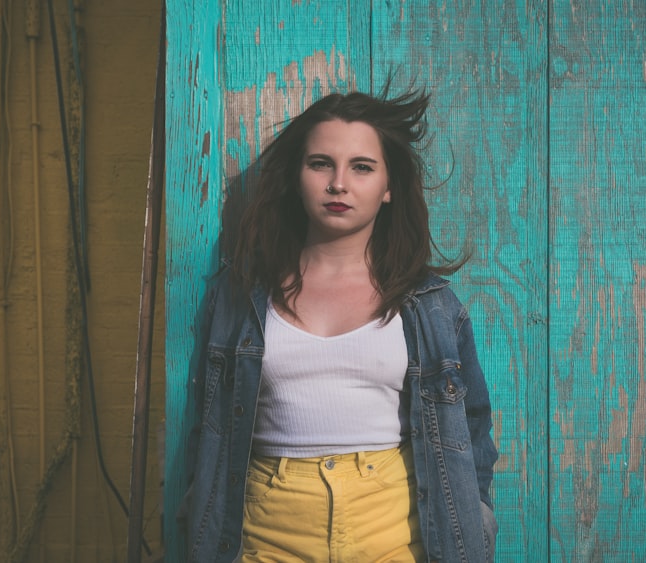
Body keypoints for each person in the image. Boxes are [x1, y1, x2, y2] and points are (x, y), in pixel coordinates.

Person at [181, 86, 498, 563]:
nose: (338, 184)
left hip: (395, 529)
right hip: (268, 531)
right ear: (296, 176)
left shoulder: (430, 304)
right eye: (320, 164)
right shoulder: (238, 294)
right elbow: (208, 426)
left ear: (388, 187)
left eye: (362, 167)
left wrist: (476, 519)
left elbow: (472, 428)